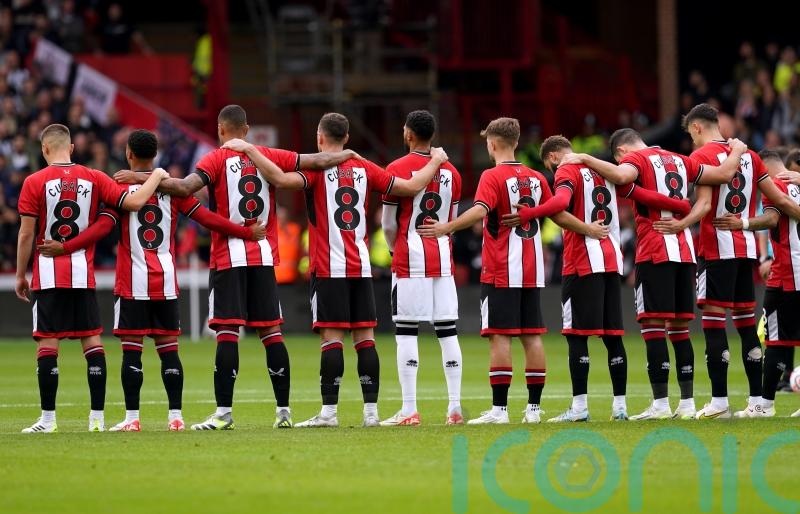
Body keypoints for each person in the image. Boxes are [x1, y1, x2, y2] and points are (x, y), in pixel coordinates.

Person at [114, 105, 357, 430]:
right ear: (246, 130)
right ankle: (284, 411)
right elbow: (318, 160)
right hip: (263, 255)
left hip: (228, 258)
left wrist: (142, 178)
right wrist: (351, 154)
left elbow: (185, 188)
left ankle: (223, 413)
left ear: (220, 129)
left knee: (228, 331)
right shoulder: (268, 154)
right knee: (271, 332)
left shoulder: (214, 160)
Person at [223, 112, 450, 428]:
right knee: (365, 339)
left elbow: (280, 179)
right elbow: (411, 187)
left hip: (329, 268)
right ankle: (371, 414)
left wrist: (250, 150)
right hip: (361, 267)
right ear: (346, 138)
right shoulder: (364, 167)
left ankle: (329, 413)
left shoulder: (317, 170)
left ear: (319, 138)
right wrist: (436, 160)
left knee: (332, 339)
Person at [37, 129, 267, 432]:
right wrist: (245, 232)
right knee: (169, 349)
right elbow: (208, 219)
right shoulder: (173, 191)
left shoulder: (121, 191)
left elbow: (102, 227)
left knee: (132, 350)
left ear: (129, 155)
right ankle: (176, 417)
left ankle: (132, 418)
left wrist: (65, 246)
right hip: (167, 281)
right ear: (155, 156)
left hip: (132, 282)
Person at [419, 117, 605, 424]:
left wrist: (447, 227)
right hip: (533, 271)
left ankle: (500, 411)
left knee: (500, 338)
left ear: (492, 144)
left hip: (501, 270)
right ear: (516, 143)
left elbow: (480, 210)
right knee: (532, 337)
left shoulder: (491, 176)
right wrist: (587, 228)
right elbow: (558, 215)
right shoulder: (536, 177)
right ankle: (533, 410)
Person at [504, 135, 692, 422]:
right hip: (611, 258)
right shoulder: (606, 170)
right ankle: (620, 407)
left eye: (550, 167)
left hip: (582, 260)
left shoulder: (566, 169)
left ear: (554, 157)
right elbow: (644, 195)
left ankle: (579, 408)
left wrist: (532, 213)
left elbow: (562, 201)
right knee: (613, 335)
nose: (554, 172)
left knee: (576, 335)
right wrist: (682, 207)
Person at [562, 128, 747, 420]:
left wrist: (584, 157)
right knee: (680, 330)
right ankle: (686, 404)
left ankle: (660, 405)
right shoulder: (680, 159)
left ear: (621, 152)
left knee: (652, 327)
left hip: (655, 250)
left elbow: (622, 178)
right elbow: (724, 175)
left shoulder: (636, 160)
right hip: (684, 250)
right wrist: (737, 150)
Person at [15, 123, 167, 433]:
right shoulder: (95, 177)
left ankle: (47, 420)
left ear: (45, 149)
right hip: (83, 274)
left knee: (48, 344)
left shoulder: (34, 181)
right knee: (92, 342)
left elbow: (26, 233)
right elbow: (133, 204)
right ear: (71, 149)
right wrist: (158, 176)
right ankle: (97, 419)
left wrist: (20, 274)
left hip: (48, 273)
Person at [681, 103, 800, 419]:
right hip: (745, 248)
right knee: (747, 325)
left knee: (713, 323)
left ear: (696, 128)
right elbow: (780, 201)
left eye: (691, 135)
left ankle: (719, 401)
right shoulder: (751, 156)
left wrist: (681, 223)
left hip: (716, 247)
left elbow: (705, 206)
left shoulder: (701, 157)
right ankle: (757, 399)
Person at [379, 110, 464, 426]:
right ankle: (454, 408)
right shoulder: (452, 172)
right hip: (442, 259)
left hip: (409, 258)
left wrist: (394, 248)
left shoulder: (396, 169)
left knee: (406, 332)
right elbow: (450, 223)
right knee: (447, 331)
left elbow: (388, 223)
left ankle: (409, 409)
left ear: (408, 134)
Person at [724, 150, 800, 417]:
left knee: (776, 342)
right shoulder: (796, 184)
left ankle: (763, 405)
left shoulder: (774, 186)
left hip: (787, 277)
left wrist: (741, 223)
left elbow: (771, 218)